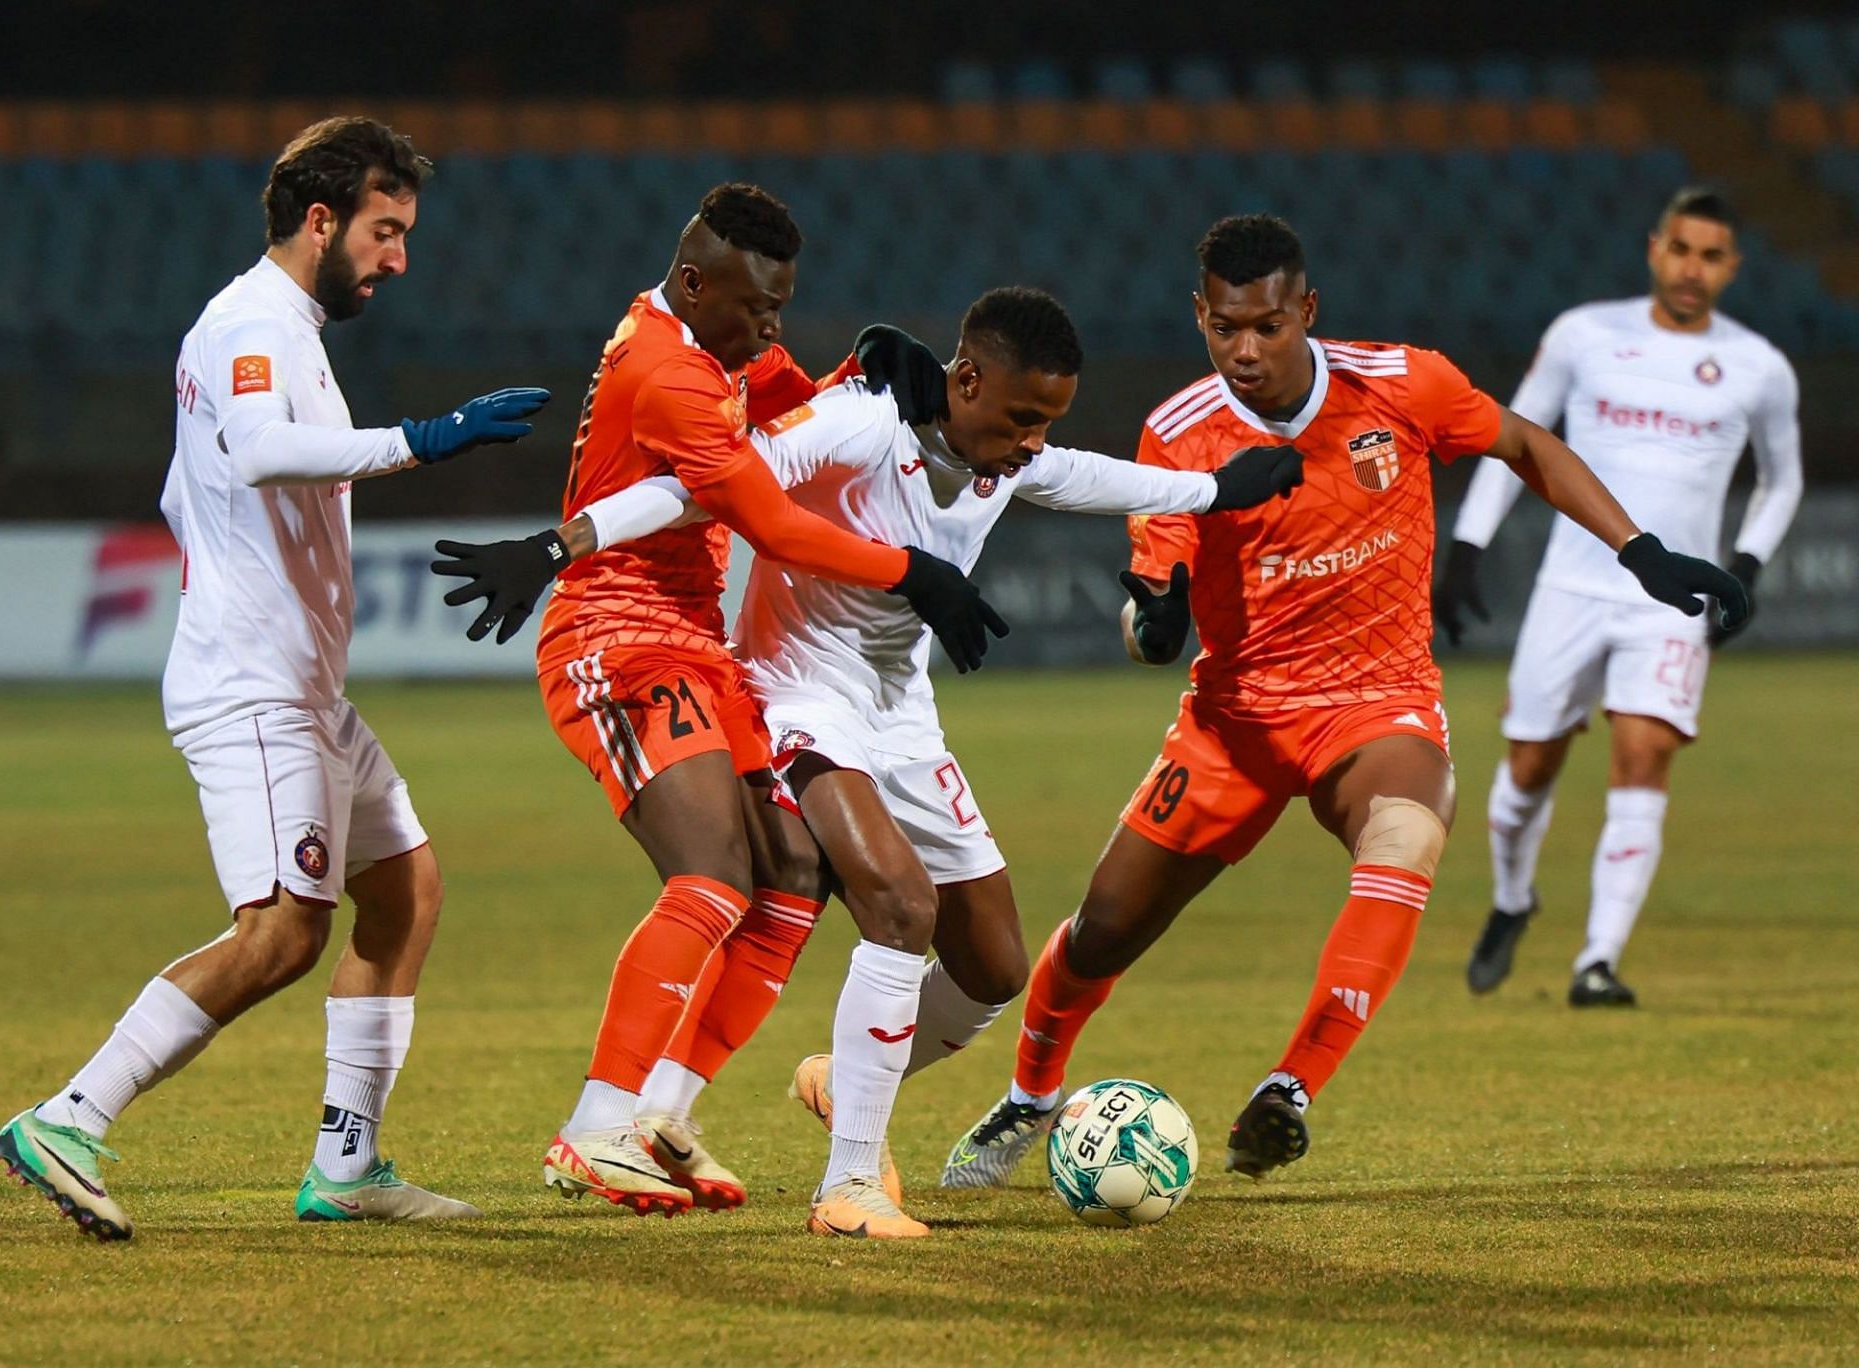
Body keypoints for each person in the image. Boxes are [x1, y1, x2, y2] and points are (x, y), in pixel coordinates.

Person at [942, 214, 1747, 1188]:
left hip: (1377, 702)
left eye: (1268, 326)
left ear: (1306, 312)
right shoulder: (1181, 431)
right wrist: (1154, 624)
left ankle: (1291, 1090)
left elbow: (1528, 446)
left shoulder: (1402, 384)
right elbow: (1152, 593)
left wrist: (1642, 551)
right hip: (1233, 726)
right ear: (1201, 315)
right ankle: (1030, 1095)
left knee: (1406, 836)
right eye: (1226, 327)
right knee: (1106, 927)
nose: (1246, 349)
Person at [566, 286, 1303, 1236]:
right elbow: (713, 480)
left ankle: (844, 1075)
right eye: (1021, 416)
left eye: (1047, 420)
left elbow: (1090, 476)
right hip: (798, 693)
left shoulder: (1008, 456)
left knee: (994, 967)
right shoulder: (859, 420)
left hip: (903, 717)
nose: (1033, 439)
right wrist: (566, 539)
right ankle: (848, 1189)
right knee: (900, 909)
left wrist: (1216, 491)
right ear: (965, 380)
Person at [0, 116, 552, 1240]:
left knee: (405, 889)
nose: (398, 257)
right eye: (385, 231)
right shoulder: (251, 321)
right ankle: (70, 1117)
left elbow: (183, 485)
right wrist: (426, 438)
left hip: (303, 687)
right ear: (320, 220)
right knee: (282, 931)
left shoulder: (282, 329)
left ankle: (346, 1169)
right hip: (253, 686)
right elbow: (252, 449)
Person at [428, 184, 1001, 1216]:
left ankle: (660, 1115)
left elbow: (797, 401)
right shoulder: (668, 374)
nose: (771, 327)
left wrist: (874, 375)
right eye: (757, 307)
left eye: (783, 305)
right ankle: (596, 1127)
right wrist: (908, 568)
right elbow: (773, 524)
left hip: (698, 640)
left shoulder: (717, 344)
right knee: (712, 874)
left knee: (791, 874)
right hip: (618, 634)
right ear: (695, 283)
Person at [1436, 187, 1802, 1006]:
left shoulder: (1760, 368)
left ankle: (1596, 961)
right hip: (1572, 585)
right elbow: (1515, 436)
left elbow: (1784, 480)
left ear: (1732, 268)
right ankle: (1511, 899)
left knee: (1644, 755)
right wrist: (1466, 548)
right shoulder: (1585, 335)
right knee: (1530, 762)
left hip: (1671, 599)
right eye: (1681, 249)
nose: (1692, 269)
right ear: (1654, 248)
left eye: (1712, 256)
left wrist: (1745, 563)